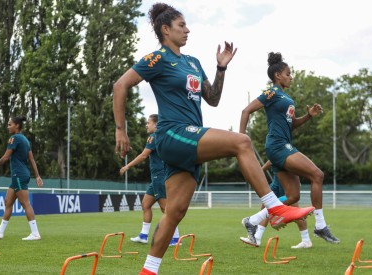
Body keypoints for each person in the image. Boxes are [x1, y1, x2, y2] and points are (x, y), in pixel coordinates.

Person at [113, 3, 314, 275]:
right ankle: (274, 208)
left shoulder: (192, 62)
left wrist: (221, 69)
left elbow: (214, 99)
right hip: (173, 133)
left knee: (175, 213)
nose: (187, 29)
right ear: (165, 30)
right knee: (241, 142)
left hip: (188, 140)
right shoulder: (157, 59)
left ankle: (148, 270)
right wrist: (120, 130)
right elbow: (120, 85)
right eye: (181, 25)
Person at [239, 52, 340, 245]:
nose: (290, 76)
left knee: (293, 196)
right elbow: (246, 111)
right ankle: (320, 225)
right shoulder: (273, 92)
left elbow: (291, 124)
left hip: (284, 146)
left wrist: (308, 116)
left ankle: (252, 221)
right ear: (277, 75)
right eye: (288, 73)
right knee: (317, 175)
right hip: (278, 146)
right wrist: (241, 137)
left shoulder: (286, 97)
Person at [119, 114, 180, 246]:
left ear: (156, 125)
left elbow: (144, 155)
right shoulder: (163, 137)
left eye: (148, 123)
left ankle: (175, 238)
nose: (146, 125)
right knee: (146, 204)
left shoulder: (153, 137)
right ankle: (143, 235)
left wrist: (127, 166)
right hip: (157, 178)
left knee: (166, 209)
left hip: (159, 177)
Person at [0, 116, 43, 241]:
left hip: (18, 175)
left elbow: (5, 157)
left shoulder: (14, 138)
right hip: (20, 175)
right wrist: (37, 175)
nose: (8, 126)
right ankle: (0, 231)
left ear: (17, 126)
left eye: (10, 124)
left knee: (25, 203)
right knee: (8, 202)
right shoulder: (25, 140)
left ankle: (35, 233)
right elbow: (31, 159)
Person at [240, 160, 312, 249]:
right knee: (265, 206)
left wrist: (260, 170)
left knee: (296, 212)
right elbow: (271, 159)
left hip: (286, 182)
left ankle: (306, 241)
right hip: (276, 180)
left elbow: (275, 158)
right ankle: (256, 238)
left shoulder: (284, 150)